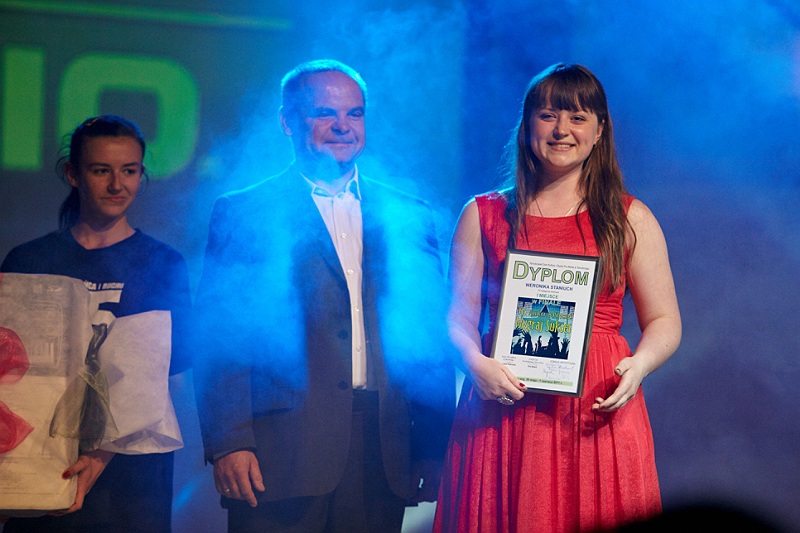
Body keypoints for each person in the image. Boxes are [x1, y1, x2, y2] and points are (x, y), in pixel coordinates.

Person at [192, 59, 455, 533]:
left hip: (382, 451)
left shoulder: (409, 215)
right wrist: (230, 441)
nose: (342, 126)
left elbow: (429, 342)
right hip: (281, 452)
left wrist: (434, 447)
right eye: (324, 113)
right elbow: (218, 338)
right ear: (287, 122)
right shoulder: (244, 212)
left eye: (355, 113)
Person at [433, 64, 682, 532]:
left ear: (600, 129)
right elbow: (457, 318)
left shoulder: (630, 218)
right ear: (527, 124)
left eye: (578, 117)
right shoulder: (483, 214)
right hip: (503, 404)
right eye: (548, 115)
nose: (562, 130)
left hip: (595, 406)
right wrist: (474, 362)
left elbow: (665, 319)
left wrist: (640, 365)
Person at [1, 115, 191, 533]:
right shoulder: (28, 261)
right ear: (73, 174)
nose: (117, 185)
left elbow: (162, 379)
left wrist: (100, 456)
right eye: (101, 170)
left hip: (130, 485)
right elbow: (12, 378)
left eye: (130, 171)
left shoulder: (163, 264)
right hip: (41, 467)